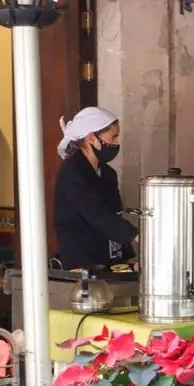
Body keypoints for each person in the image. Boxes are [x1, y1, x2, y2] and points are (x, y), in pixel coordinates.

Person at [54, 107, 138, 270]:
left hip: (108, 261)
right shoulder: (72, 172)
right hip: (81, 262)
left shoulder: (108, 174)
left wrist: (128, 259)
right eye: (113, 137)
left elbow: (114, 215)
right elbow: (96, 213)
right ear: (91, 138)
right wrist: (134, 234)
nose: (116, 143)